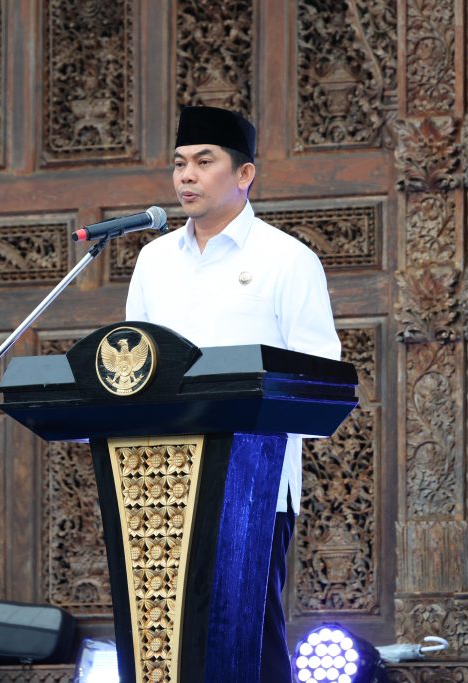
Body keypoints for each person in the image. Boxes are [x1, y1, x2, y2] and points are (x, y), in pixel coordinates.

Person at [125, 105, 341, 683]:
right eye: (179, 164)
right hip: (159, 484)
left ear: (245, 174)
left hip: (252, 485)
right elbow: (134, 371)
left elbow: (320, 380)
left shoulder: (287, 260)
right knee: (167, 644)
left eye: (204, 162)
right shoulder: (153, 261)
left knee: (248, 641)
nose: (186, 176)